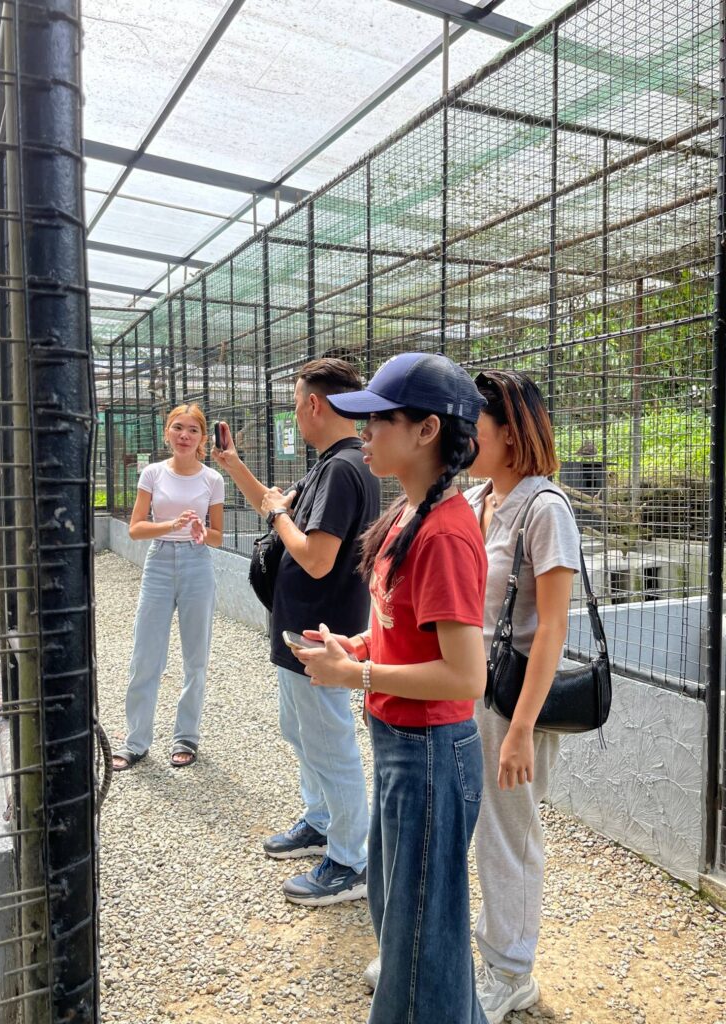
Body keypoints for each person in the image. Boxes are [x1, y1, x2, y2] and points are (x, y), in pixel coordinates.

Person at [295, 352, 490, 1024]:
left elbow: (466, 675)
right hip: (403, 746)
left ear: (427, 431)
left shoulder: (442, 534)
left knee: (416, 943)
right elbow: (407, 633)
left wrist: (358, 675)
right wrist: (357, 646)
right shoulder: (408, 516)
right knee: (410, 923)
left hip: (431, 750)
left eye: (379, 419)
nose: (366, 431)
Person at [211, 358, 380, 905]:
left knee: (329, 743)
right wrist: (235, 467)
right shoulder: (336, 462)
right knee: (302, 732)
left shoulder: (342, 468)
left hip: (322, 631)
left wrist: (278, 518)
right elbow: (276, 508)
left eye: (295, 403)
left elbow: (314, 557)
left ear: (314, 404)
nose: (295, 413)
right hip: (303, 627)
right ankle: (321, 820)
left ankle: (351, 858)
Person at [464, 370, 581, 1024]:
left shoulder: (545, 507)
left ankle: (512, 973)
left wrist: (519, 729)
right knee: (475, 828)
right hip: (467, 688)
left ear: (509, 433)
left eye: (472, 428)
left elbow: (554, 627)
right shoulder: (477, 496)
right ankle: (478, 950)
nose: (460, 437)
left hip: (513, 699)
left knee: (510, 836)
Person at [112, 404, 224, 771]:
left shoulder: (212, 480)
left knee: (196, 657)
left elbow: (219, 537)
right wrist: (172, 525)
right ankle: (135, 742)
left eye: (193, 430)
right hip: (158, 562)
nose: (184, 435)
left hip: (196, 564)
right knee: (145, 655)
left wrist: (200, 532)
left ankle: (186, 737)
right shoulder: (152, 473)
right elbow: (135, 528)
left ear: (202, 439)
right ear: (166, 433)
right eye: (178, 428)